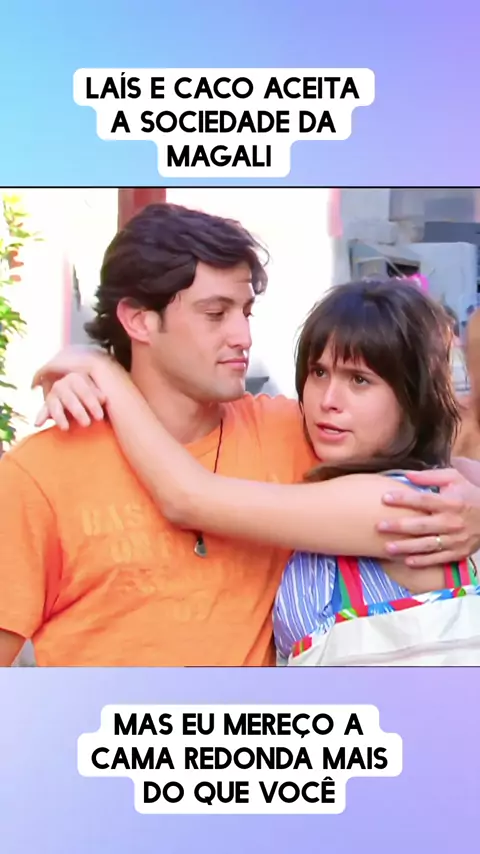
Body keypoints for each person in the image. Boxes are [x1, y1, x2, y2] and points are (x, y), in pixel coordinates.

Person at [3, 204, 480, 668]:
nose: (243, 337)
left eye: (246, 312)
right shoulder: (40, 473)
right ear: (139, 320)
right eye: (216, 314)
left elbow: (190, 497)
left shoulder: (302, 435)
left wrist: (102, 369)